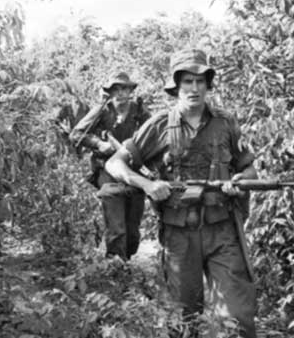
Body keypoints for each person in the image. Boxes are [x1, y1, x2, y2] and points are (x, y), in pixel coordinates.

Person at [105, 49, 259, 337]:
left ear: (208, 85)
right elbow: (115, 164)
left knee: (237, 318)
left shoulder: (225, 124)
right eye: (187, 81)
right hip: (179, 237)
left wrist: (240, 181)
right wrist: (148, 185)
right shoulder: (160, 125)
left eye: (201, 81)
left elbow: (250, 169)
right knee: (183, 322)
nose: (194, 88)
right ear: (176, 85)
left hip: (223, 232)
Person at [70, 71, 151, 260]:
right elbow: (76, 134)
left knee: (132, 231)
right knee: (117, 229)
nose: (121, 93)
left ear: (130, 90)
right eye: (116, 89)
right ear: (111, 92)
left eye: (124, 88)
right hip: (107, 171)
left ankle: (126, 264)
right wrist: (99, 144)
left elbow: (155, 133)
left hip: (134, 171)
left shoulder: (139, 110)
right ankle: (115, 270)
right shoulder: (102, 110)